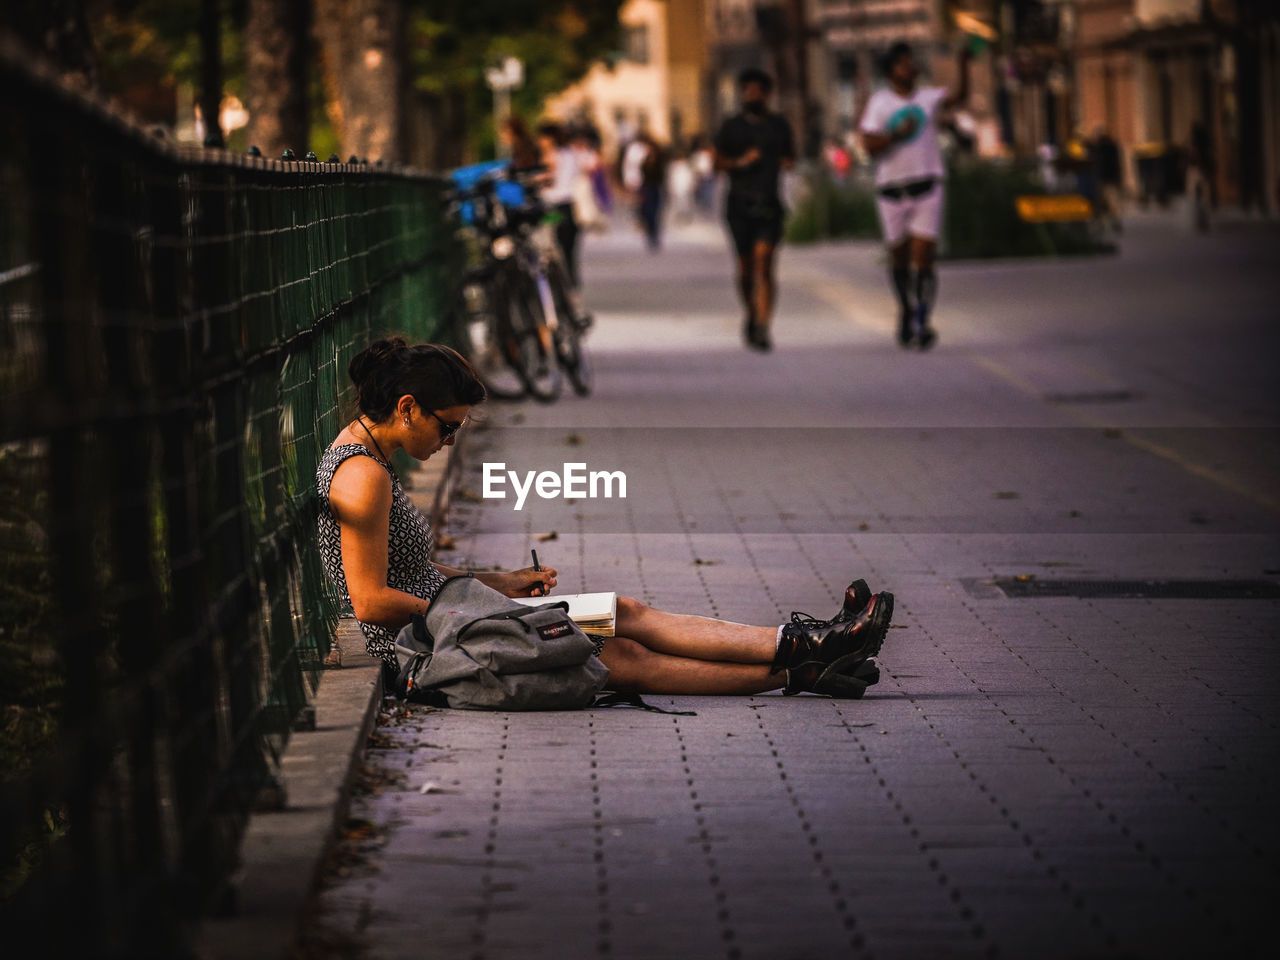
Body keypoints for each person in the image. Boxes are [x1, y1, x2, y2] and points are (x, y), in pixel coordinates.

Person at [317, 338, 896, 699]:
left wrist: (497, 584)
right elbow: (369, 601)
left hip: (447, 618)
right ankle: (808, 662)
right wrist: (488, 609)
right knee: (619, 658)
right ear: (407, 408)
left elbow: (408, 568)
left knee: (623, 613)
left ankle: (806, 646)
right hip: (417, 644)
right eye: (448, 426)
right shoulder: (363, 476)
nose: (450, 439)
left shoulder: (369, 458)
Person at [860, 42, 972, 349]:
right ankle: (905, 309)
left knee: (924, 257)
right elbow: (868, 145)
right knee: (899, 256)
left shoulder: (928, 98)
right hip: (892, 191)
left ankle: (923, 319)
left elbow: (959, 98)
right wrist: (896, 134)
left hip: (926, 186)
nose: (909, 66)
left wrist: (963, 64)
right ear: (891, 72)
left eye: (910, 61)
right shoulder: (879, 104)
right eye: (902, 63)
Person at [714, 68, 796, 352]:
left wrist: (787, 164)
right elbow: (717, 163)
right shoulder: (731, 127)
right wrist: (740, 162)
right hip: (738, 204)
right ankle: (750, 311)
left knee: (765, 262)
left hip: (770, 203)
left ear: (767, 94)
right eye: (746, 91)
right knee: (745, 269)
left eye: (757, 91)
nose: (751, 95)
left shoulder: (778, 125)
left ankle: (763, 324)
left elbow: (791, 156)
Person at [536, 122, 584, 288]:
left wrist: (534, 180)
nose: (540, 141)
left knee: (552, 246)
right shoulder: (570, 153)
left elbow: (548, 179)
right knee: (569, 248)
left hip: (553, 206)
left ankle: (559, 285)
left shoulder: (551, 155)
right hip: (570, 205)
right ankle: (571, 282)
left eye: (542, 137)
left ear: (550, 138)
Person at [1089, 126, 1123, 233]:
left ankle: (1111, 222)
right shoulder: (1103, 147)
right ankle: (1105, 223)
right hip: (1103, 179)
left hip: (1106, 179)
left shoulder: (1104, 147)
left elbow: (1116, 164)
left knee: (1109, 202)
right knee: (1102, 203)